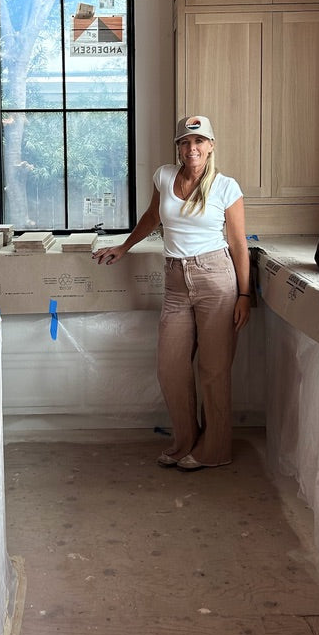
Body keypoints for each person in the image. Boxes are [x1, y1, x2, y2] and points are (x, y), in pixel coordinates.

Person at [93, 115, 251, 472]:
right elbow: (152, 217)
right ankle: (185, 441)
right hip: (176, 280)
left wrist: (245, 295)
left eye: (198, 141)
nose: (191, 148)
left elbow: (239, 245)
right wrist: (125, 246)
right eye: (184, 142)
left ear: (210, 146)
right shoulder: (164, 176)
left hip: (216, 280)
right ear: (178, 148)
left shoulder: (226, 187)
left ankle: (214, 449)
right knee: (171, 367)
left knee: (214, 370)